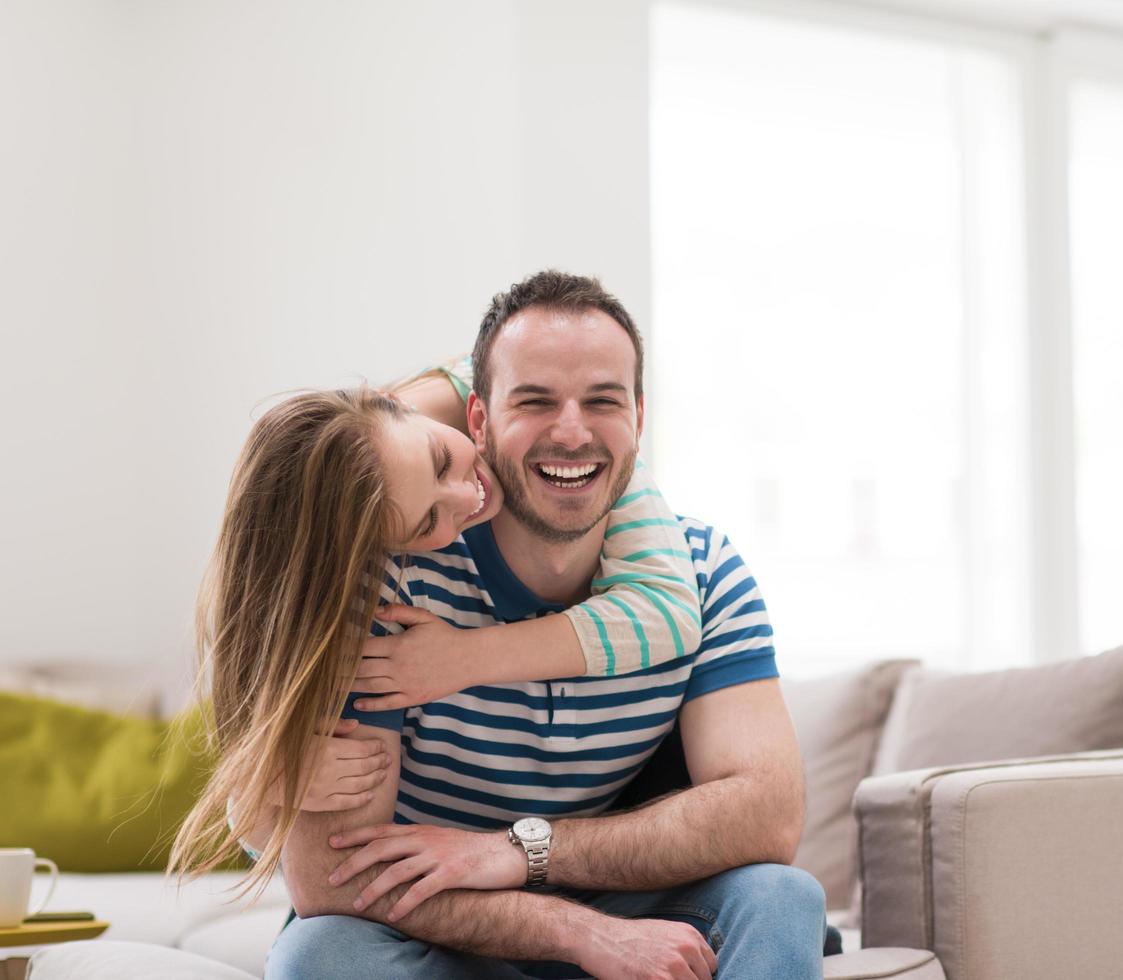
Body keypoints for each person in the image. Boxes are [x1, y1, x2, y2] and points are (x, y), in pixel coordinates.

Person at [178, 270, 825, 978]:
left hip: (631, 908)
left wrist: (521, 850)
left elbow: (765, 816)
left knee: (780, 896)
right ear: (480, 421)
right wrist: (574, 932)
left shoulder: (700, 571)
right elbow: (334, 876)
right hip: (446, 927)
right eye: (535, 401)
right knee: (320, 952)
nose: (571, 431)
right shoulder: (382, 578)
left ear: (639, 416)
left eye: (603, 401)